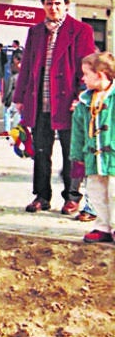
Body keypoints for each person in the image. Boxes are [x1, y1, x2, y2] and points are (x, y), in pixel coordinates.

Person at [13, 0, 96, 214]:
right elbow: (27, 66)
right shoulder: (35, 32)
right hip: (40, 102)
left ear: (66, 5)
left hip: (68, 103)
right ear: (43, 6)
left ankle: (72, 197)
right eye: (49, 4)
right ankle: (41, 196)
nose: (53, 8)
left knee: (72, 152)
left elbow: (86, 66)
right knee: (40, 152)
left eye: (58, 3)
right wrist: (19, 97)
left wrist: (81, 95)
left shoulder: (81, 30)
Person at [71, 52, 115, 243]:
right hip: (93, 157)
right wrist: (77, 155)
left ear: (100, 74)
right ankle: (103, 226)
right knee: (96, 192)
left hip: (112, 156)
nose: (83, 78)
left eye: (86, 74)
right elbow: (78, 131)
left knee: (114, 192)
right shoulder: (85, 102)